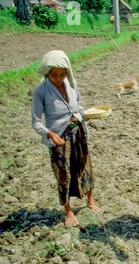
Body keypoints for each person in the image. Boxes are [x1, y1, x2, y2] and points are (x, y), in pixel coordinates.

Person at [31, 50, 99, 227]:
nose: (59, 78)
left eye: (62, 74)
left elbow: (78, 107)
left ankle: (90, 200)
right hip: (59, 138)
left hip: (78, 132)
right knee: (63, 173)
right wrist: (49, 134)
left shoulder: (71, 84)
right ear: (47, 72)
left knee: (85, 165)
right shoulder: (41, 91)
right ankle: (67, 210)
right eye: (54, 75)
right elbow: (36, 122)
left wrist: (90, 113)